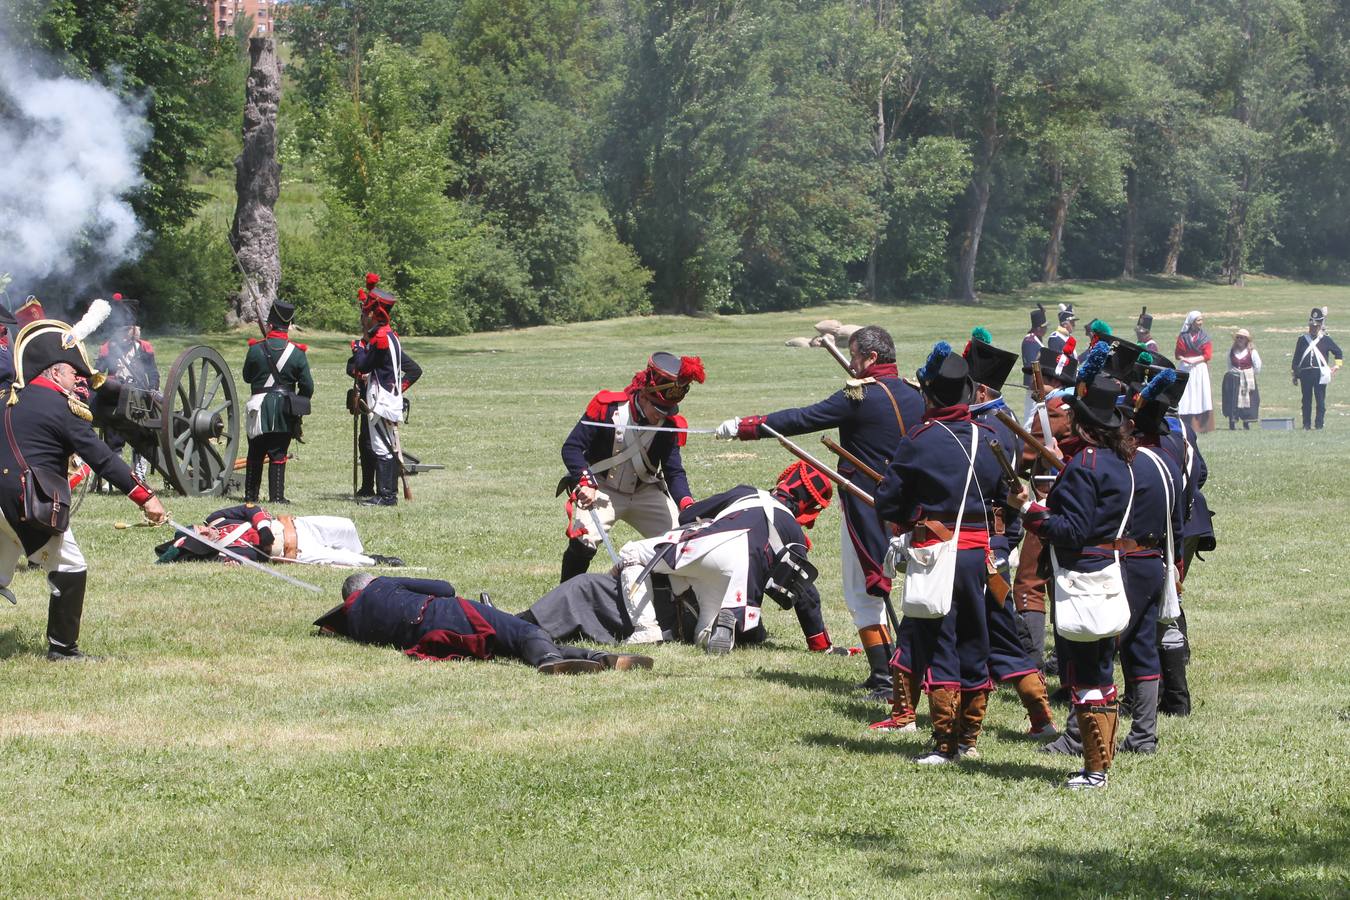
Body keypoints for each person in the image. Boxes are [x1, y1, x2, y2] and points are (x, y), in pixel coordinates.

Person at [716, 325, 922, 698]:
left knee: (861, 592)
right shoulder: (913, 393)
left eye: (856, 356)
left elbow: (802, 418)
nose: (852, 363)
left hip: (867, 507)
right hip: (912, 507)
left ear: (872, 358)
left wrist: (745, 427)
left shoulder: (859, 396)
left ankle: (884, 676)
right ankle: (901, 668)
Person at [1014, 352, 1167, 789]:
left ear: (1082, 422)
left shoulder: (1086, 465)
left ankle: (1095, 770)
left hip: (1085, 574)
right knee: (1097, 673)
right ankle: (1097, 765)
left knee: (1088, 676)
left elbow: (1073, 530)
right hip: (1107, 569)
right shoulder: (1118, 460)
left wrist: (1029, 511)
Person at [524, 461, 837, 654]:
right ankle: (717, 630)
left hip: (709, 550)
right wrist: (820, 643)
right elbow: (805, 595)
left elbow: (688, 515)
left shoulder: (747, 492)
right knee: (705, 632)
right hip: (738, 586)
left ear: (784, 480)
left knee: (632, 552)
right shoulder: (794, 534)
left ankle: (646, 629)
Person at [0, 317, 168, 661]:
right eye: (71, 373)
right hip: (24, 502)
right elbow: (103, 459)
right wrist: (146, 497)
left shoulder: (7, 398)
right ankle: (63, 649)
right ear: (53, 372)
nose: (78, 379)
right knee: (71, 566)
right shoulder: (62, 408)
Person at [874, 342, 1005, 765]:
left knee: (942, 645)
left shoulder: (920, 439)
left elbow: (889, 503)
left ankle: (946, 745)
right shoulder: (991, 438)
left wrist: (911, 511)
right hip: (980, 556)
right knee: (975, 643)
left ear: (929, 395)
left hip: (937, 556)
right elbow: (1003, 501)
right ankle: (969, 739)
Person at [315, 574, 654, 674]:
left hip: (430, 638)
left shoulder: (354, 622)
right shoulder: (380, 585)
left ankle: (597, 658)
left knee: (513, 642)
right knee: (525, 631)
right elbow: (445, 588)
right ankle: (550, 660)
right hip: (444, 615)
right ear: (368, 581)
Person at [559, 352, 705, 583]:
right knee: (583, 542)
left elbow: (674, 471)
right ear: (644, 395)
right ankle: (565, 595)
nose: (661, 416)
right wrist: (585, 482)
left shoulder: (670, 425)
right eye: (658, 408)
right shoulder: (607, 408)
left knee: (681, 543)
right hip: (601, 488)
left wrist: (687, 504)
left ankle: (671, 599)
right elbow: (572, 447)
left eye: (667, 410)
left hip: (644, 491)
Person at [1010, 345, 1077, 673]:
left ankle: (1031, 659)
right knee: (1059, 582)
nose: (1031, 385)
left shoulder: (1051, 411)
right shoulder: (1075, 406)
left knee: (1029, 583)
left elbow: (1022, 458)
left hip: (1048, 503)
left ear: (1053, 381)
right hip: (1073, 505)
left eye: (1037, 379)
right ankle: (1065, 659)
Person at [154, 503, 404, 568]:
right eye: (201, 536)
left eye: (199, 528)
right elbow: (249, 558)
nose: (206, 531)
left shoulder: (217, 518)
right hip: (295, 552)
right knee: (350, 562)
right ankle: (376, 560)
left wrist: (263, 528)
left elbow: (249, 508)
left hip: (297, 527)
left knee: (346, 526)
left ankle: (362, 551)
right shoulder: (222, 555)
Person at [351, 275, 423, 499]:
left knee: (381, 447)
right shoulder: (389, 335)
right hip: (387, 396)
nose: (364, 318)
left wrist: (357, 350)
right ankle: (387, 493)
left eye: (367, 314)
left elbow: (363, 365)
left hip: (381, 398)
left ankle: (386, 495)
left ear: (373, 313)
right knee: (385, 445)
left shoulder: (380, 338)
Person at [241, 300, 312, 504]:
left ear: (270, 325)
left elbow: (247, 377)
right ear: (288, 326)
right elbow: (307, 386)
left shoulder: (256, 349)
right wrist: (298, 404)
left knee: (255, 453)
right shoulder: (297, 353)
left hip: (258, 407)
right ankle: (277, 497)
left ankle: (250, 497)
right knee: (278, 453)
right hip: (284, 409)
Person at [94, 294, 158, 481]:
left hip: (140, 394)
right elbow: (98, 373)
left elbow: (153, 373)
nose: (123, 334)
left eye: (126, 330)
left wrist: (152, 389)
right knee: (113, 433)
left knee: (144, 433)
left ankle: (139, 472)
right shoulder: (107, 348)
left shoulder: (144, 347)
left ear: (133, 330)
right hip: (115, 395)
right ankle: (114, 473)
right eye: (120, 330)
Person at [1292, 307, 1343, 430]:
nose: (1313, 328)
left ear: (1320, 326)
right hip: (1305, 373)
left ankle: (1319, 425)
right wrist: (1295, 374)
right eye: (1311, 326)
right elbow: (1296, 359)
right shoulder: (1302, 339)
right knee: (1306, 401)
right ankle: (1306, 425)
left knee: (1320, 401)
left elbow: (1338, 352)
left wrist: (1337, 366)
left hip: (1320, 374)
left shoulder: (1326, 339)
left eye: (1315, 326)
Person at [1175, 310, 1214, 433]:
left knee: (1199, 392)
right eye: (1198, 320)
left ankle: (1201, 424)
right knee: (1186, 393)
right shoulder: (1183, 337)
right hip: (1186, 367)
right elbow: (1178, 354)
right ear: (1192, 322)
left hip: (1199, 368)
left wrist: (1194, 360)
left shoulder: (1204, 337)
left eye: (1201, 320)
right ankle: (1185, 421)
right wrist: (1185, 359)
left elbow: (1207, 355)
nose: (1200, 322)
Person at [1221, 329, 1261, 429]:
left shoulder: (1252, 352)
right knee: (1232, 401)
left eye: (1242, 338)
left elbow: (1257, 367)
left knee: (1247, 401)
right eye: (1238, 337)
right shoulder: (1231, 351)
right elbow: (1229, 365)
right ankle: (1232, 422)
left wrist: (1249, 375)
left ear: (1246, 339)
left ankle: (1246, 422)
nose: (1239, 339)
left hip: (1247, 379)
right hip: (1233, 379)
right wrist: (1234, 373)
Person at [1021, 304, 1048, 419]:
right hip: (1034, 385)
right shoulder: (1030, 341)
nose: (1046, 329)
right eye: (1044, 327)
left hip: (1039, 384)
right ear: (1038, 328)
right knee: (1031, 416)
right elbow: (1031, 365)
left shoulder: (1036, 339)